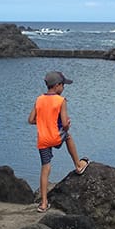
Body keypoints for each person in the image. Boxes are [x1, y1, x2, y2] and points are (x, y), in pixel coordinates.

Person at [28, 71, 90, 213]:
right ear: (57, 86)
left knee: (45, 168)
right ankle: (78, 165)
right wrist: (67, 124)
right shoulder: (61, 101)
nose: (64, 88)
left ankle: (43, 203)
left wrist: (44, 121)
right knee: (68, 136)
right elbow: (64, 123)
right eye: (63, 85)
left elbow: (31, 120)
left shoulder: (39, 99)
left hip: (43, 139)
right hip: (56, 137)